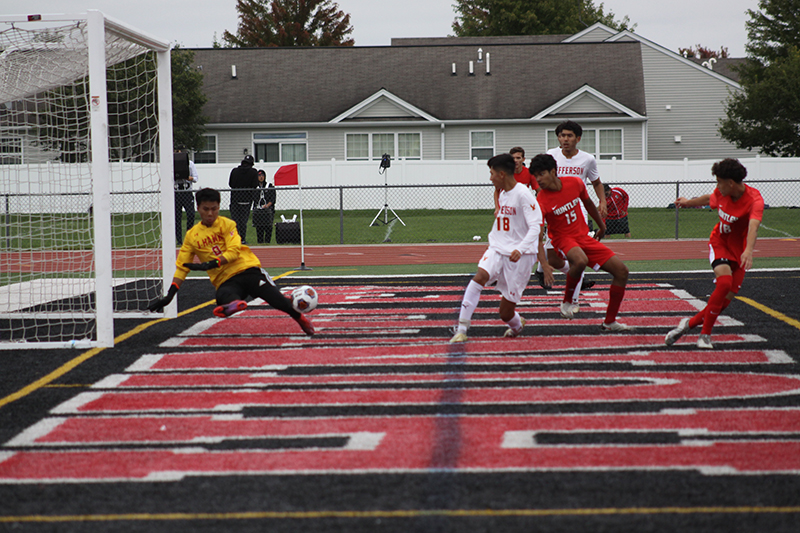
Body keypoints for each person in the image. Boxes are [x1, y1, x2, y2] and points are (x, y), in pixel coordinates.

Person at [146, 187, 314, 336]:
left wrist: (211, 264)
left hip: (249, 270)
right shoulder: (191, 236)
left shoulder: (228, 224)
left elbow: (233, 251)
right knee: (223, 296)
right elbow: (182, 267)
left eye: (214, 209)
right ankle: (234, 304)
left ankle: (300, 319)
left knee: (278, 301)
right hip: (226, 279)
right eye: (206, 209)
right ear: (198, 209)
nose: (210, 213)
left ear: (219, 207)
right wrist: (170, 295)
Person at [665, 158, 763, 349]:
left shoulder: (754, 200)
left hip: (740, 252)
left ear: (731, 183)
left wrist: (749, 251)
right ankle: (705, 336)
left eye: (719, 181)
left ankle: (687, 325)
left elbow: (754, 226)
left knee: (723, 304)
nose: (717, 186)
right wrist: (687, 203)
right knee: (724, 282)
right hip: (719, 243)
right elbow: (709, 198)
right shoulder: (721, 192)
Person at [529, 153, 633, 332]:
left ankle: (609, 322)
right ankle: (568, 300)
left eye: (541, 174)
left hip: (583, 237)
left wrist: (602, 226)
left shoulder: (575, 183)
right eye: (535, 175)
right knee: (580, 260)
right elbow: (537, 237)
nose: (538, 179)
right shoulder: (541, 200)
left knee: (622, 272)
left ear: (553, 171)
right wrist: (543, 264)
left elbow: (589, 205)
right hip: (562, 239)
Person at [450, 153, 545, 343]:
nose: (490, 177)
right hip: (497, 248)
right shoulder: (502, 193)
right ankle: (461, 329)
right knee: (479, 278)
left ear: (501, 174)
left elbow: (536, 226)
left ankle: (517, 325)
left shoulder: (523, 194)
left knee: (505, 313)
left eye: (491, 173)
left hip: (521, 256)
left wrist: (521, 248)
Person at [534, 120, 602, 295]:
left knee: (577, 255)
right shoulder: (551, 155)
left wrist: (602, 201)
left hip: (577, 212)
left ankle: (574, 294)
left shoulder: (588, 159)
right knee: (554, 257)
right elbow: (542, 180)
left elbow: (596, 182)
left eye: (569, 136)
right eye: (562, 135)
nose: (565, 139)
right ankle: (545, 271)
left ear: (578, 138)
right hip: (556, 212)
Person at [228, 154, 258, 244]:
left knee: (235, 221)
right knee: (243, 221)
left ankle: (235, 239)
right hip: (246, 200)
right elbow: (254, 185)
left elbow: (231, 184)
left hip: (235, 199)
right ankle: (243, 239)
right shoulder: (253, 172)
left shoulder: (235, 171)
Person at [173, 147, 199, 244]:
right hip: (176, 193)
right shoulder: (170, 164)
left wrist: (188, 177)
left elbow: (196, 178)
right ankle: (179, 239)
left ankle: (189, 236)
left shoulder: (190, 164)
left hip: (187, 192)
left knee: (191, 214)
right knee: (177, 216)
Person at [253, 169, 276, 244]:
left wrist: (267, 205)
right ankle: (260, 242)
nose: (261, 177)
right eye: (259, 176)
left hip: (268, 211)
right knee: (259, 228)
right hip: (259, 211)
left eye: (262, 175)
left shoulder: (269, 186)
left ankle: (267, 242)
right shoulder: (255, 187)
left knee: (268, 228)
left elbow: (273, 198)